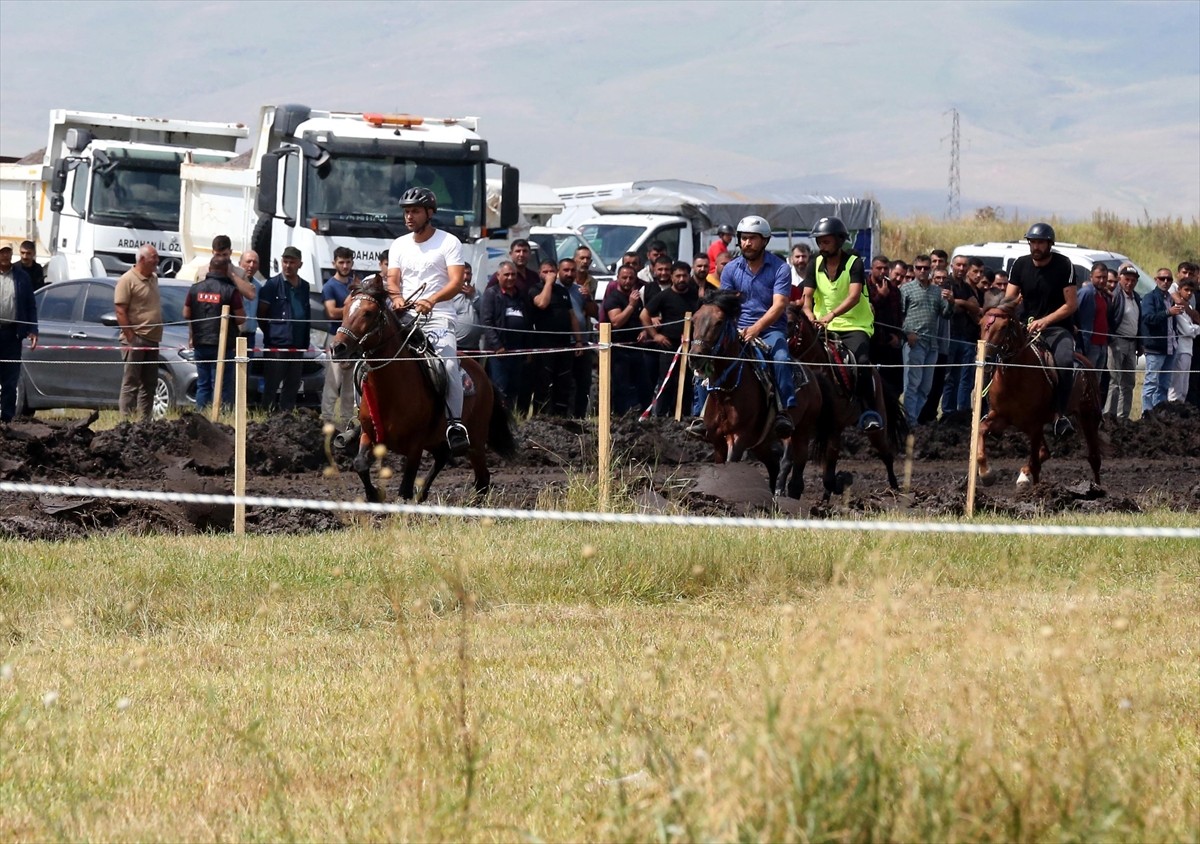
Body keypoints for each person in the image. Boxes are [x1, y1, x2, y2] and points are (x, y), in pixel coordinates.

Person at [386, 187, 470, 454]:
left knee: (448, 365)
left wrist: (432, 300)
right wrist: (396, 297)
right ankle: (358, 420)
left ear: (430, 213)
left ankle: (455, 425)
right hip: (405, 316)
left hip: (439, 317)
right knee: (368, 359)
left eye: (415, 211)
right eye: (406, 212)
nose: (409, 217)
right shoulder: (399, 244)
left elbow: (456, 282)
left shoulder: (449, 242)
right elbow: (392, 280)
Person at [715, 214, 796, 437]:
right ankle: (701, 415)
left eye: (752, 238)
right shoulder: (730, 269)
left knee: (781, 359)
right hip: (736, 330)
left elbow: (779, 305)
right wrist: (734, 329)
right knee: (707, 358)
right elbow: (725, 304)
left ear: (765, 240)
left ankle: (784, 410)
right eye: (744, 238)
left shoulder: (780, 268)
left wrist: (755, 329)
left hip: (771, 330)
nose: (747, 243)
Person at [800, 216, 882, 431]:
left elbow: (854, 297)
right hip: (822, 326)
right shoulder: (814, 263)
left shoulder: (855, 263)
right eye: (819, 242)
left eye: (826, 241)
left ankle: (868, 410)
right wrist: (808, 313)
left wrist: (832, 315)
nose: (822, 246)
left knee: (862, 362)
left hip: (854, 326)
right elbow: (807, 298)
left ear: (839, 240)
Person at [1004, 223, 1079, 437]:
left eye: (1040, 242)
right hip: (1025, 327)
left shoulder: (1064, 265)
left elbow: (1071, 305)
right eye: (1033, 242)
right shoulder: (1019, 264)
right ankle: (992, 409)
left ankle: (1059, 414)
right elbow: (1009, 299)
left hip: (1056, 329)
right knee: (996, 355)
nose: (1036, 246)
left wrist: (1045, 321)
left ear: (1049, 244)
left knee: (1064, 361)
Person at [184, 254, 245, 411]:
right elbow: (240, 318)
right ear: (226, 270)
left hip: (200, 342)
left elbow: (186, 313)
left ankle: (201, 415)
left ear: (210, 269)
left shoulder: (195, 289)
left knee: (203, 384)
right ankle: (222, 415)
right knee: (222, 384)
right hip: (223, 345)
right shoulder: (230, 291)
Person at [258, 245, 313, 413]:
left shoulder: (304, 286)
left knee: (293, 384)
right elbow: (261, 314)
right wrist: (273, 333)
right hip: (277, 345)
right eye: (285, 261)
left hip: (298, 344)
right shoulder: (272, 284)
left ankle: (286, 416)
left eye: (292, 262)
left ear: (300, 264)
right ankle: (266, 414)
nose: (288, 266)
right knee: (272, 383)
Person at [643, 259, 701, 416]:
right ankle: (660, 418)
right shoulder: (664, 296)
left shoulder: (695, 295)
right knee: (667, 383)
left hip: (690, 347)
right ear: (672, 277)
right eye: (678, 276)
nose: (681, 279)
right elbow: (644, 315)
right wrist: (655, 335)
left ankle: (683, 417)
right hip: (669, 346)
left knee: (688, 383)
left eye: (684, 276)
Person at [113, 244, 162, 420]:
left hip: (153, 339)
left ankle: (144, 422)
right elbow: (120, 311)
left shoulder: (154, 278)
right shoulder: (127, 280)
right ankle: (126, 422)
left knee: (150, 383)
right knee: (131, 383)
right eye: (153, 257)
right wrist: (131, 337)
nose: (157, 261)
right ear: (142, 259)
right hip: (136, 339)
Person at [899, 262, 951, 429]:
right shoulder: (906, 289)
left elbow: (946, 314)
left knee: (926, 387)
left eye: (926, 268)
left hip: (932, 344)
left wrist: (950, 301)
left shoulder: (937, 291)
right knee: (912, 384)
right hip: (914, 342)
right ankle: (910, 422)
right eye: (919, 267)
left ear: (930, 270)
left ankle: (914, 419)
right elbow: (899, 315)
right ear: (914, 269)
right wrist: (907, 332)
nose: (922, 271)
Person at [480, 260, 535, 414]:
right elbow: (486, 322)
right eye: (506, 275)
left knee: (514, 388)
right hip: (500, 353)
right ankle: (498, 419)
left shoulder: (521, 295)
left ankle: (510, 418)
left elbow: (528, 323)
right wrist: (497, 346)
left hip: (518, 351)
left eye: (513, 275)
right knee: (500, 388)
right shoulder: (491, 294)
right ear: (498, 276)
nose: (510, 278)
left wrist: (528, 348)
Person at [532, 257, 584, 416]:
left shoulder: (562, 291)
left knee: (563, 382)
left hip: (564, 344)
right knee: (543, 382)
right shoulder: (535, 289)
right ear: (540, 273)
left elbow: (572, 316)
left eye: (552, 272)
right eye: (545, 272)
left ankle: (561, 416)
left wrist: (578, 340)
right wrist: (548, 283)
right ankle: (540, 416)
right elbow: (542, 303)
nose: (549, 275)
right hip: (545, 345)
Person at [601, 264, 652, 414]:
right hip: (619, 350)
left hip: (636, 348)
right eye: (624, 278)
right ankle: (619, 416)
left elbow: (640, 319)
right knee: (621, 387)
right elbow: (616, 322)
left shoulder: (636, 298)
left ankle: (644, 415)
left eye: (631, 278)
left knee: (644, 386)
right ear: (617, 278)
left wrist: (644, 331)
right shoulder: (613, 299)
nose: (628, 281)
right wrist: (630, 305)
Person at [0, 244, 38, 423]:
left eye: (7, 252)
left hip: (12, 334)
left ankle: (6, 420)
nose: (5, 255)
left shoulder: (22, 277)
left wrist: (33, 329)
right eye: (1, 252)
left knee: (10, 379)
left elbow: (31, 305)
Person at [321, 246, 356, 426]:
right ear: (334, 263)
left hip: (351, 339)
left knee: (350, 383)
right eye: (341, 262)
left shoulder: (354, 284)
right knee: (333, 381)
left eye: (348, 262)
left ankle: (347, 420)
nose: (345, 266)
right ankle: (327, 418)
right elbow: (331, 312)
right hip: (335, 336)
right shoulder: (330, 286)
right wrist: (351, 309)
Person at [1139, 267, 1183, 412]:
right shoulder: (1150, 297)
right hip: (1155, 348)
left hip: (1170, 346)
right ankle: (1146, 414)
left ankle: (1160, 414)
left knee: (1164, 384)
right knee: (1151, 383)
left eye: (1169, 279)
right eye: (1162, 278)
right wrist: (1167, 312)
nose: (1165, 282)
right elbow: (1148, 318)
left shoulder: (1171, 298)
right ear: (1156, 280)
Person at [1104, 265, 1142, 420]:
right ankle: (1109, 416)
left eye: (1133, 280)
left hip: (1132, 343)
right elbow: (1108, 319)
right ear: (1120, 279)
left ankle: (1123, 417)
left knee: (1129, 382)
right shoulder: (1115, 296)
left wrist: (1140, 343)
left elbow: (1138, 321)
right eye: (1127, 279)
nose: (1129, 283)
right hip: (1117, 341)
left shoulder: (1136, 297)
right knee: (1114, 380)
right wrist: (1111, 339)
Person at [870, 258, 906, 396]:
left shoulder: (894, 290)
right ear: (872, 269)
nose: (882, 271)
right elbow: (869, 310)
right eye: (879, 268)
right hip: (872, 341)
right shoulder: (864, 286)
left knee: (895, 384)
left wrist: (897, 336)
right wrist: (880, 295)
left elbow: (897, 316)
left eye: (885, 268)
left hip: (890, 343)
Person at [1074, 264, 1111, 372]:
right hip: (1089, 344)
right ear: (1091, 277)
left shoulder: (1103, 294)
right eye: (1098, 277)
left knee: (1097, 378)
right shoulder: (1086, 293)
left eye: (1104, 277)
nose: (1102, 280)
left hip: (1101, 344)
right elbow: (1074, 313)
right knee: (1087, 376)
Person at [1168, 275, 1198, 403]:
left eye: (1191, 291)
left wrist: (1194, 329)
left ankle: (1180, 410)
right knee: (1177, 386)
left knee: (1184, 387)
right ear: (1179, 290)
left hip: (1188, 349)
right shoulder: (1177, 306)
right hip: (1180, 349)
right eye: (1186, 290)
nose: (1189, 293)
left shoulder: (1189, 307)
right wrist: (1196, 329)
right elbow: (1187, 330)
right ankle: (1172, 409)